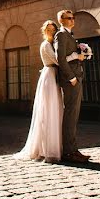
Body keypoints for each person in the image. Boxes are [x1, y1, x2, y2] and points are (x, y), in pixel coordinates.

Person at [15, 20, 64, 163]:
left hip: (55, 75)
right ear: (44, 31)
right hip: (49, 76)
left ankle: (55, 144)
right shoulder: (45, 45)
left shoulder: (54, 44)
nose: (51, 31)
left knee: (56, 109)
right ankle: (45, 148)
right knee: (48, 110)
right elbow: (57, 60)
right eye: (48, 29)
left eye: (53, 29)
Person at [55, 9, 89, 162]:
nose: (72, 20)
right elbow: (60, 59)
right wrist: (71, 78)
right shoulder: (61, 35)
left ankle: (73, 149)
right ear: (61, 20)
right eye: (69, 18)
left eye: (73, 18)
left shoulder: (69, 35)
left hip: (77, 77)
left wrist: (82, 54)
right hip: (71, 80)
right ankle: (69, 152)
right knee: (70, 115)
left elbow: (70, 57)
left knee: (73, 116)